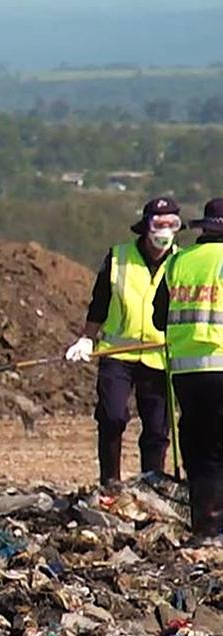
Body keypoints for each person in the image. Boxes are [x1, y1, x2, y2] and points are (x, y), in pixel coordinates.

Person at [65, 196, 180, 485]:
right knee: (112, 416)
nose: (164, 232)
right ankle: (110, 481)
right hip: (118, 354)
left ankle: (151, 483)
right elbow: (100, 302)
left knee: (156, 428)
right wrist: (86, 339)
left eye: (171, 225)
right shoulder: (118, 257)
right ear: (146, 227)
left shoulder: (182, 262)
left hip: (159, 354)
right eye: (159, 224)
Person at [153, 198, 223, 541]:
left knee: (199, 447)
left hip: (186, 373)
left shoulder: (179, 262)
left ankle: (204, 528)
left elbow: (158, 316)